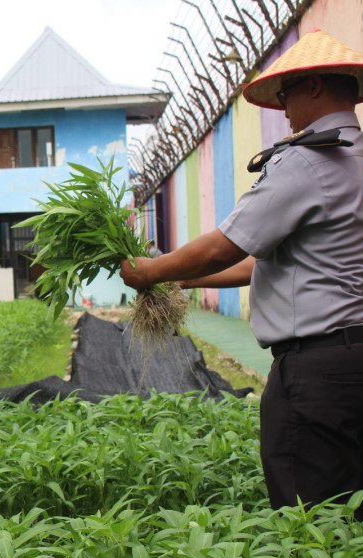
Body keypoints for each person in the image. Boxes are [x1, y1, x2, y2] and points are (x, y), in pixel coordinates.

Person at [119, 30, 363, 516]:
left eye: (287, 96)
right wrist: (181, 280)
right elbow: (263, 258)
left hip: (317, 374)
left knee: (311, 516)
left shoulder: (307, 162)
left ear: (314, 86)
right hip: (352, 361)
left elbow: (223, 247)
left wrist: (148, 271)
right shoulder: (353, 161)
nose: (284, 111)